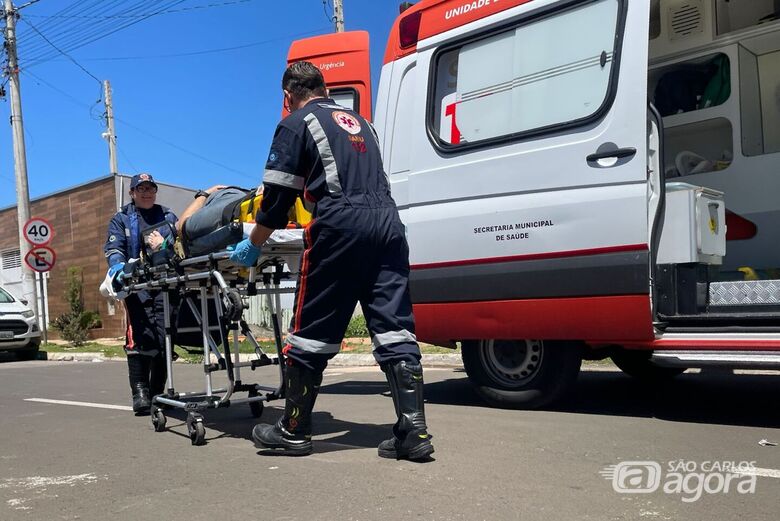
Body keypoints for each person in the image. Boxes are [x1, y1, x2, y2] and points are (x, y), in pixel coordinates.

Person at [231, 61, 434, 460]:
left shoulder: (295, 122)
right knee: (395, 330)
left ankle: (293, 430)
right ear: (325, 88)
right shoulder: (363, 124)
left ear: (287, 97)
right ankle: (415, 433)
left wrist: (254, 242)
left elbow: (275, 201)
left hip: (342, 228)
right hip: (389, 227)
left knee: (312, 329)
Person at [103, 173, 178, 415]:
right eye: (141, 189)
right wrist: (119, 267)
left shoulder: (167, 216)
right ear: (132, 193)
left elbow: (179, 245)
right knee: (138, 337)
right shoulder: (122, 218)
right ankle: (140, 392)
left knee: (165, 337)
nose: (146, 193)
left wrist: (164, 245)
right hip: (137, 286)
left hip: (166, 285)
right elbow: (114, 248)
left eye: (150, 188)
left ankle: (157, 392)